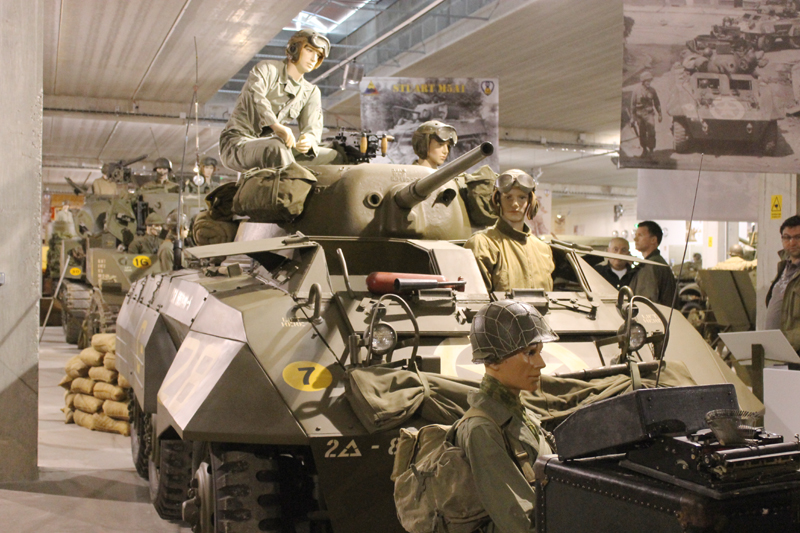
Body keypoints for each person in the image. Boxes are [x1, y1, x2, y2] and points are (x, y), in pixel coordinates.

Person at [456, 299, 557, 533]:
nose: (541, 363)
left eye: (539, 352)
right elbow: (520, 522)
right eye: (530, 353)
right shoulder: (483, 430)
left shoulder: (520, 414)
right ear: (494, 360)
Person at [219, 29, 340, 174]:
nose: (314, 58)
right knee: (276, 147)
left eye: (319, 55)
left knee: (335, 156)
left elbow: (312, 127)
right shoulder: (267, 69)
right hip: (238, 144)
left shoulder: (310, 92)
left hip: (275, 148)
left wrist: (308, 140)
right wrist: (276, 126)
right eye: (309, 50)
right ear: (294, 48)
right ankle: (291, 187)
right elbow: (254, 97)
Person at [465, 169, 555, 293]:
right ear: (497, 200)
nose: (515, 204)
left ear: (531, 202)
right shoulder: (482, 244)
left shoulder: (543, 249)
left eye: (522, 197)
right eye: (508, 197)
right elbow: (475, 298)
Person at [766, 215, 800, 350]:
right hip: (776, 348)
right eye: (787, 237)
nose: (792, 243)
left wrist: (790, 341)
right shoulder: (783, 267)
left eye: (798, 237)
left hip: (794, 349)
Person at [629, 220, 677, 306]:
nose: (635, 239)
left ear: (653, 240)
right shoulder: (655, 262)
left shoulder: (650, 266)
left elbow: (645, 302)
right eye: (635, 235)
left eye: (640, 235)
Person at [629, 71, 661, 158]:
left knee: (651, 132)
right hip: (639, 115)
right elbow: (633, 105)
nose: (648, 83)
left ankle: (651, 150)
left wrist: (660, 114)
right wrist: (632, 118)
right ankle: (644, 150)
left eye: (649, 81)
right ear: (643, 81)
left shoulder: (652, 90)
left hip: (649, 114)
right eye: (647, 81)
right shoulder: (636, 90)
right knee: (642, 133)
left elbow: (657, 102)